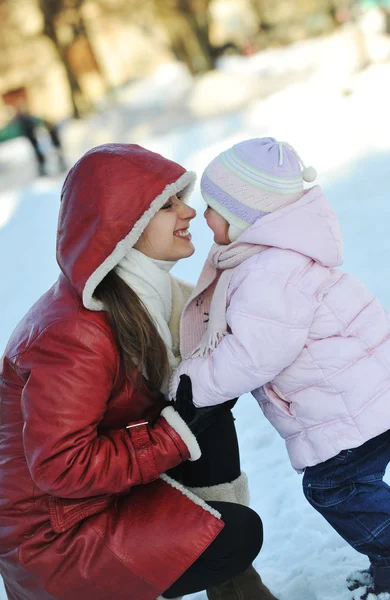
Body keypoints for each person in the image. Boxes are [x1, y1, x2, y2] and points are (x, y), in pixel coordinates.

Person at [0, 143, 269, 600]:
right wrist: (172, 434)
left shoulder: (145, 297)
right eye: (168, 204)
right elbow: (60, 466)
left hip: (98, 501)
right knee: (237, 533)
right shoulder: (74, 335)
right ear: (123, 226)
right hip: (57, 539)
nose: (189, 211)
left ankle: (239, 589)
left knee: (205, 399)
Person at [170, 136, 390, 600]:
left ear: (244, 215)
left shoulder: (268, 270)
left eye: (211, 207)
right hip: (362, 398)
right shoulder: (268, 259)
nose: (202, 217)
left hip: (346, 408)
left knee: (335, 487)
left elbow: (255, 354)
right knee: (350, 486)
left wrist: (190, 384)